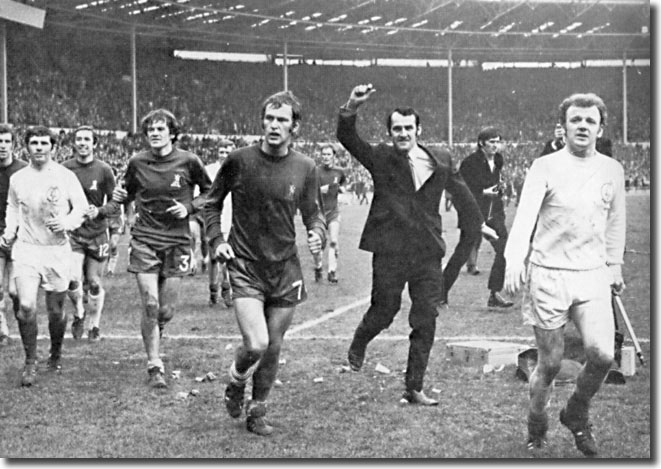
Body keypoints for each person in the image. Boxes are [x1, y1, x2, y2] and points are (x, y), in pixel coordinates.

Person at [338, 84, 494, 405]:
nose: (403, 134)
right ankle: (359, 342)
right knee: (385, 310)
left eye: (409, 128)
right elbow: (349, 139)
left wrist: (479, 223)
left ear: (418, 130)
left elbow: (462, 192)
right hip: (390, 252)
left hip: (426, 253)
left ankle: (414, 385)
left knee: (425, 317)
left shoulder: (440, 158)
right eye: (397, 129)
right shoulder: (381, 158)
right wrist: (352, 106)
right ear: (390, 132)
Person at [504, 93, 626, 457]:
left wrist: (614, 263)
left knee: (603, 355)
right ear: (564, 126)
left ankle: (576, 411)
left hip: (591, 274)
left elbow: (616, 222)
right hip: (549, 275)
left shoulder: (612, 170)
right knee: (551, 363)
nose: (583, 126)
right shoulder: (545, 166)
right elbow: (525, 216)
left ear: (600, 127)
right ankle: (537, 420)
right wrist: (514, 258)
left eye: (590, 121)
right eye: (576, 120)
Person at [205, 91, 326, 436]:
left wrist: (316, 231)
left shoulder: (305, 167)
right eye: (270, 119)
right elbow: (211, 203)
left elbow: (313, 212)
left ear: (295, 127)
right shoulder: (239, 161)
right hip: (244, 263)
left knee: (273, 346)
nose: (274, 125)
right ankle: (235, 380)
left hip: (285, 267)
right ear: (262, 121)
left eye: (282, 120)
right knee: (255, 343)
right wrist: (217, 240)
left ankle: (257, 411)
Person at [111, 109, 212, 389]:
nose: (154, 134)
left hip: (178, 242)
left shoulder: (189, 161)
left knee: (165, 311)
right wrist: (121, 197)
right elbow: (127, 192)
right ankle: (154, 363)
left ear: (172, 133)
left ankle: (157, 327)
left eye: (160, 129)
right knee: (150, 304)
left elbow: (209, 192)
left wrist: (189, 208)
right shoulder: (137, 162)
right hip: (144, 239)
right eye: (150, 130)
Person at [1, 126, 88, 386]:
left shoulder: (65, 176)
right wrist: (9, 231)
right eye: (34, 143)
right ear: (26, 147)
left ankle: (56, 352)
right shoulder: (18, 178)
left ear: (53, 147)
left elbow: (81, 208)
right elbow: (13, 207)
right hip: (27, 249)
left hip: (57, 250)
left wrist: (67, 222)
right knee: (26, 305)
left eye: (44, 143)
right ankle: (30, 361)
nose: (39, 147)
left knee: (55, 311)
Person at [62, 126, 117, 341]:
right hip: (74, 233)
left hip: (97, 233)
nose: (83, 143)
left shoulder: (104, 170)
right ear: (73, 143)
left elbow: (115, 201)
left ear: (94, 144)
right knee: (73, 279)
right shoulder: (65, 169)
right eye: (79, 139)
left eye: (87, 139)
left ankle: (94, 325)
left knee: (94, 282)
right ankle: (79, 313)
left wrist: (101, 212)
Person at [453, 127, 513, 308]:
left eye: (498, 141)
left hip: (494, 212)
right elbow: (463, 190)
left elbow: (495, 183)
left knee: (504, 249)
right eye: (492, 142)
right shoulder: (470, 163)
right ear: (481, 143)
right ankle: (439, 292)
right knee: (462, 253)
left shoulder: (499, 160)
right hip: (474, 213)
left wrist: (499, 189)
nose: (496, 145)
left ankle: (494, 293)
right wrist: (484, 191)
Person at [0, 124, 26, 346]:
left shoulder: (23, 171)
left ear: (13, 145)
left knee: (15, 291)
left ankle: (21, 319)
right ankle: (2, 328)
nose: (2, 146)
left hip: (20, 238)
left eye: (6, 141)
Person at [204, 139, 234, 307]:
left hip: (232, 219)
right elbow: (203, 195)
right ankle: (213, 290)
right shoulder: (209, 171)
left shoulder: (239, 170)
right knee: (214, 259)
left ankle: (226, 289)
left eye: (227, 151)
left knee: (228, 257)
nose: (224, 155)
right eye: (221, 151)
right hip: (214, 219)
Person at [312, 144, 347, 283]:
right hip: (318, 214)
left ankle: (332, 271)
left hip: (333, 211)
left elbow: (342, 184)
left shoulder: (339, 171)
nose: (326, 157)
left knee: (333, 241)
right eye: (324, 154)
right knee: (317, 245)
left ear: (334, 156)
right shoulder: (315, 171)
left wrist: (341, 189)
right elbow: (309, 191)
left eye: (328, 154)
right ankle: (318, 267)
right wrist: (321, 190)